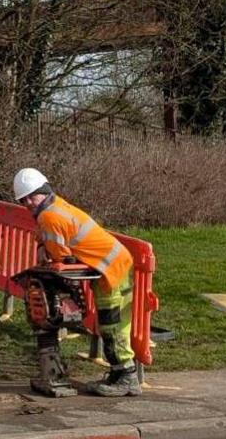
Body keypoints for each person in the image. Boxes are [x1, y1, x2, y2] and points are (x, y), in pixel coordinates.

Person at [12, 167, 140, 397]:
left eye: (32, 196)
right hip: (111, 266)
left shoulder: (49, 215)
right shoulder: (54, 206)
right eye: (24, 199)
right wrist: (43, 246)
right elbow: (50, 237)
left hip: (112, 270)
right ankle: (119, 374)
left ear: (44, 190)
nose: (28, 202)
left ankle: (127, 378)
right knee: (112, 323)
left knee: (113, 325)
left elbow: (60, 257)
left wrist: (49, 258)